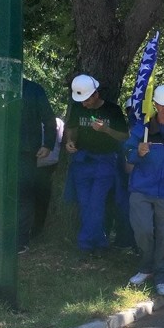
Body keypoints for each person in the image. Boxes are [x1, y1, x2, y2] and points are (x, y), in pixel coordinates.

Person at [125, 85, 164, 296]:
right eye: (162, 105)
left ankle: (162, 276)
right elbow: (126, 154)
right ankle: (146, 267)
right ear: (155, 104)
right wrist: (137, 152)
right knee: (143, 230)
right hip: (141, 189)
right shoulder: (141, 129)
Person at [65, 74, 129, 253]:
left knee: (96, 203)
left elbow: (124, 136)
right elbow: (71, 128)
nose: (83, 104)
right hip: (81, 161)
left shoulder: (113, 110)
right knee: (85, 204)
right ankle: (100, 243)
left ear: (95, 95)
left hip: (105, 162)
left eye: (86, 100)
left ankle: (85, 244)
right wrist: (69, 141)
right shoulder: (78, 108)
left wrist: (106, 129)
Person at [18, 79, 57, 254]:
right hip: (1, 149)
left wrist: (48, 144)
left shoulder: (33, 89)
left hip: (25, 152)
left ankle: (20, 240)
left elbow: (49, 119)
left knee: (23, 195)